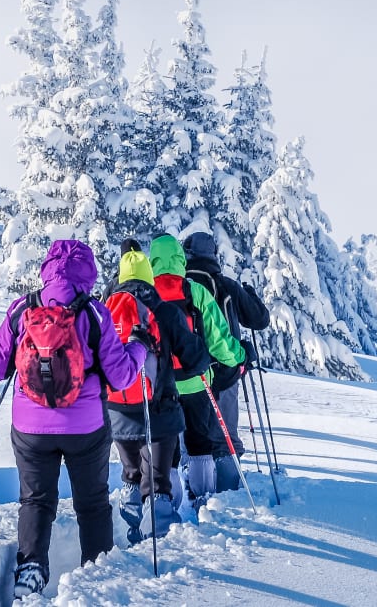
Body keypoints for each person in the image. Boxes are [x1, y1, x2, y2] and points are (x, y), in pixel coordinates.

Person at [0, 239, 148, 600]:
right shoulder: (95, 313)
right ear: (88, 273)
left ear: (47, 268)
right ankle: (97, 572)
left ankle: (30, 569)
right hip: (85, 427)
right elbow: (120, 377)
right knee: (92, 501)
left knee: (36, 499)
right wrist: (139, 345)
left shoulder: (22, 308)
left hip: (30, 427)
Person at [103, 245, 210, 543]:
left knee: (132, 475)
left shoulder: (104, 309)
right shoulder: (164, 310)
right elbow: (195, 358)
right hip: (160, 412)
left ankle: (131, 529)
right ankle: (161, 540)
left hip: (117, 411)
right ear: (149, 275)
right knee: (159, 481)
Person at [148, 234, 246, 506]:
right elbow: (219, 340)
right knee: (200, 442)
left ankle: (169, 501)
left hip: (159, 385)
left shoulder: (145, 293)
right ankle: (204, 498)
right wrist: (237, 357)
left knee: (167, 448)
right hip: (197, 380)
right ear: (181, 259)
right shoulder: (195, 291)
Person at [182, 231, 270, 492]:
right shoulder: (226, 285)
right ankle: (228, 493)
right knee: (224, 436)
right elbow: (259, 320)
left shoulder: (181, 288)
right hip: (226, 370)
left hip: (189, 372)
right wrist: (251, 296)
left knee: (192, 436)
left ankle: (194, 489)